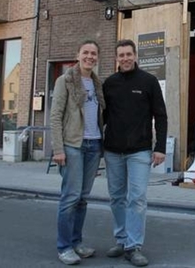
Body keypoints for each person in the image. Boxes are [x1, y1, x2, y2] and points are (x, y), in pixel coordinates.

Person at [103, 39, 168, 267]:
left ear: (135, 55)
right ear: (116, 58)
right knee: (117, 198)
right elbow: (104, 117)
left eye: (128, 54)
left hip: (140, 151)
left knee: (137, 199)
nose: (125, 58)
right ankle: (121, 240)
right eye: (121, 55)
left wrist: (160, 147)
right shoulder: (109, 83)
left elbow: (160, 115)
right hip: (112, 151)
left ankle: (134, 246)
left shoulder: (149, 82)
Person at [50, 40, 105, 265]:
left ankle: (76, 242)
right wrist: (58, 149)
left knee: (82, 198)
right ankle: (64, 247)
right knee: (70, 197)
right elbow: (55, 117)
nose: (89, 57)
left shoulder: (97, 83)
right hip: (73, 146)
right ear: (78, 55)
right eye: (86, 53)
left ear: (97, 58)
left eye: (93, 54)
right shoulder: (65, 80)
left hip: (94, 145)